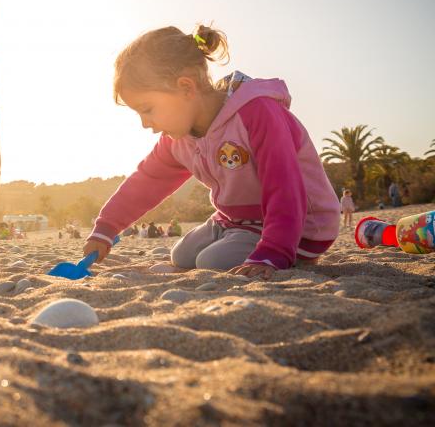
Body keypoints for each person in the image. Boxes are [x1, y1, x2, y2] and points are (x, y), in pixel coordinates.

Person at [82, 24, 340, 280]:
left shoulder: (257, 112)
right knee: (182, 255)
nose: (145, 123)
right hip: (236, 221)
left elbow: (284, 185)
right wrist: (106, 228)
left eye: (147, 109)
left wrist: (273, 252)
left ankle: (275, 248)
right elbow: (147, 181)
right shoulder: (178, 139)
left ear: (186, 88)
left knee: (211, 261)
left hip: (301, 225)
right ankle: (237, 235)